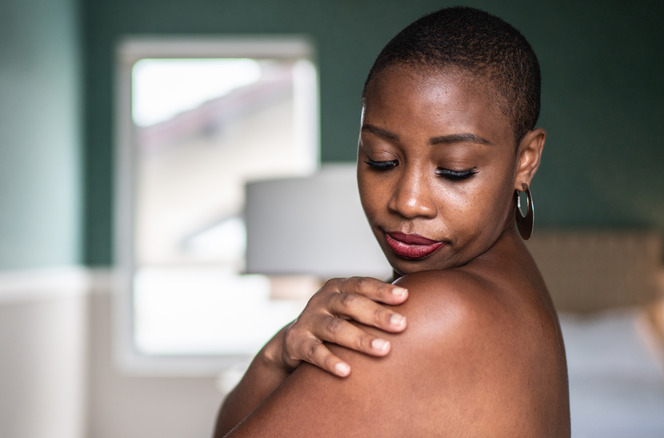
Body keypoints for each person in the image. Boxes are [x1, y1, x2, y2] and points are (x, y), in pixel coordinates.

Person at [214, 6, 570, 437]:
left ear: (525, 160)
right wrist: (280, 352)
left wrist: (274, 359)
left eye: (455, 169)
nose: (408, 201)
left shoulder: (439, 310)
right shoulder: (518, 286)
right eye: (381, 160)